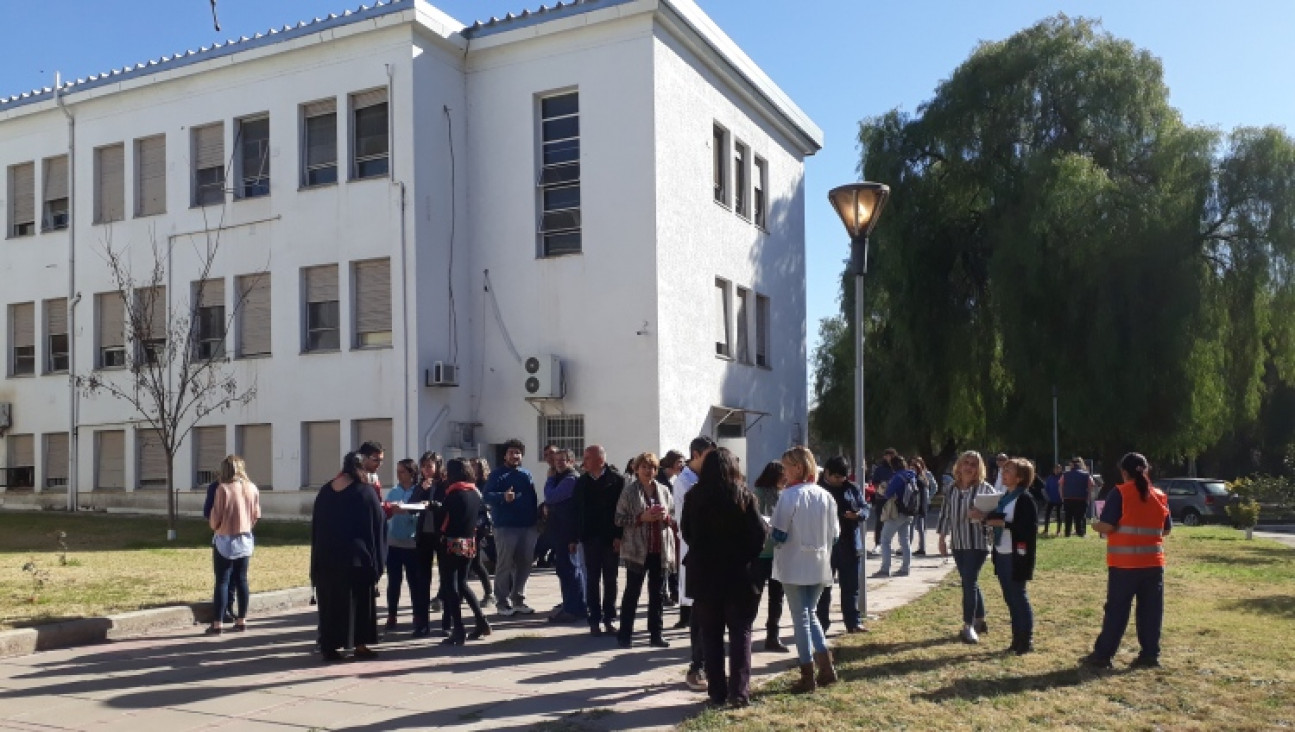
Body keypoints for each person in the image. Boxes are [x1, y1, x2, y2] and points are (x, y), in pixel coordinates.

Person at [682, 447, 768, 708]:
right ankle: (739, 692)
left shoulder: (693, 497)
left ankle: (716, 692)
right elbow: (758, 536)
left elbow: (686, 533)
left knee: (711, 635)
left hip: (704, 573)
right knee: (741, 633)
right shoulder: (744, 496)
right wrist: (746, 555)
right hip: (738, 574)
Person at [1081, 452, 1172, 670]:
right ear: (1146, 470)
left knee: (1117, 611)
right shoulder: (1159, 495)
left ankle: (1103, 655)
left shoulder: (1120, 493)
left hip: (1124, 564)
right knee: (1151, 611)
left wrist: (1095, 524)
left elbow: (1109, 525)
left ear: (1124, 472)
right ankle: (1150, 655)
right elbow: (1166, 529)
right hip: (1153, 563)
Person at [772, 446, 840, 693]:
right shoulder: (826, 496)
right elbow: (835, 535)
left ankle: (807, 672)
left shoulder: (788, 496)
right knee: (809, 614)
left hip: (794, 564)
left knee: (801, 617)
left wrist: (767, 528)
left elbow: (779, 534)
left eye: (786, 467)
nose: (784, 473)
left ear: (798, 467)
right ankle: (826, 667)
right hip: (820, 563)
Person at [311, 452, 386, 662]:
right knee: (359, 604)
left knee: (331, 604)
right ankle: (360, 645)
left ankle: (329, 646)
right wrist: (378, 560)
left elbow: (316, 526)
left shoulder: (326, 491)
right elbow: (378, 525)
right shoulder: (364, 492)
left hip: (326, 558)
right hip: (356, 559)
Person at [971, 457, 1038, 655]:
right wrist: (983, 518)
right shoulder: (1004, 497)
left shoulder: (1024, 498)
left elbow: (1028, 529)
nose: (1003, 473)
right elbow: (998, 520)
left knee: (1018, 596)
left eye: (1008, 470)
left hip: (1016, 555)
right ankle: (1016, 640)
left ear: (1020, 477)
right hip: (1001, 553)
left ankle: (1026, 641)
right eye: (1004, 470)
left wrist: (1004, 525)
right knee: (1010, 598)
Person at [614, 452, 675, 648]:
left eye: (653, 468)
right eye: (645, 467)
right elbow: (619, 519)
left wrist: (665, 518)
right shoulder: (629, 492)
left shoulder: (664, 490)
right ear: (637, 469)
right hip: (637, 551)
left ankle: (656, 635)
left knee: (657, 594)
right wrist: (641, 518)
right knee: (632, 592)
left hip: (659, 549)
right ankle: (624, 636)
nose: (649, 471)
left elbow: (673, 518)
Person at [937, 451, 997, 643]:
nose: (969, 467)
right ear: (959, 466)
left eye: (973, 464)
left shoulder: (985, 489)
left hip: (977, 543)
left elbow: (995, 517)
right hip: (958, 543)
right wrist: (942, 538)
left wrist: (981, 516)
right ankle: (980, 619)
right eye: (966, 463)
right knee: (969, 581)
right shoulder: (951, 489)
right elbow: (945, 514)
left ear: (979, 468)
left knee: (968, 583)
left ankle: (968, 625)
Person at [673, 435, 716, 692]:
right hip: (695, 550)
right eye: (709, 456)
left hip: (710, 553)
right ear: (696, 455)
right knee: (699, 613)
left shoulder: (701, 479)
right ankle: (696, 666)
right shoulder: (686, 482)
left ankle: (709, 664)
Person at [437, 458, 492, 645]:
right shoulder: (475, 493)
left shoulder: (453, 494)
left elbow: (444, 521)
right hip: (469, 542)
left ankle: (458, 629)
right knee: (462, 583)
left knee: (450, 586)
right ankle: (481, 620)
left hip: (451, 543)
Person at [482, 439, 539, 616]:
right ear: (505, 455)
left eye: (518, 452)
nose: (515, 455)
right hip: (505, 526)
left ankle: (518, 599)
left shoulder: (526, 474)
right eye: (511, 452)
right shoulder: (497, 474)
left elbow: (532, 498)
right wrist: (502, 497)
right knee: (505, 563)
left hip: (528, 526)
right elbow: (486, 496)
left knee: (525, 563)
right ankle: (501, 601)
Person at [206, 455, 261, 635]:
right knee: (242, 580)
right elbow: (256, 514)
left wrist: (216, 527)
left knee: (222, 581)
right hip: (245, 538)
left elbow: (215, 517)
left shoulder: (223, 489)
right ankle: (242, 620)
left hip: (225, 538)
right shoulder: (252, 488)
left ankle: (218, 623)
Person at [575, 444, 626, 637]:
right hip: (590, 538)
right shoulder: (581, 482)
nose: (584, 461)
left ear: (600, 460)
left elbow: (621, 511)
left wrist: (619, 536)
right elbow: (576, 511)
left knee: (610, 579)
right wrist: (574, 537)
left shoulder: (617, 481)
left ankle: (609, 618)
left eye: (588, 458)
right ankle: (594, 619)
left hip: (610, 538)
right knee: (592, 579)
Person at [815, 456, 869, 634]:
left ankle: (853, 622)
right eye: (836, 476)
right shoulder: (817, 489)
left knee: (851, 587)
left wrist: (859, 514)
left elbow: (865, 508)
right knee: (823, 589)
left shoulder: (852, 488)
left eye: (842, 477)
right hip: (826, 546)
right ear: (827, 473)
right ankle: (822, 625)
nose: (839, 480)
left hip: (850, 544)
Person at [544, 449, 587, 624]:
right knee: (565, 571)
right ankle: (571, 606)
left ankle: (574, 609)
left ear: (571, 461)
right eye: (556, 460)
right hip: (561, 531)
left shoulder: (570, 479)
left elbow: (551, 496)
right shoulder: (563, 478)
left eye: (563, 460)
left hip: (568, 533)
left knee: (571, 571)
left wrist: (549, 478)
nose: (559, 463)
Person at [751, 461, 787, 652]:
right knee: (754, 595)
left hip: (779, 553)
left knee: (777, 597)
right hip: (762, 553)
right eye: (783, 475)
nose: (786, 478)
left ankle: (772, 636)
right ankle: (745, 633)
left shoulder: (783, 494)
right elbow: (756, 518)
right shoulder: (759, 493)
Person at [383, 459, 423, 631]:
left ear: (412, 474)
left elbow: (422, 513)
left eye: (402, 472)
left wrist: (407, 511)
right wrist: (390, 511)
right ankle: (392, 615)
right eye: (397, 471)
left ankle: (416, 615)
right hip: (393, 543)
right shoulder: (393, 491)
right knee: (394, 582)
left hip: (412, 543)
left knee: (414, 582)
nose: (399, 475)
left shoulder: (418, 491)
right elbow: (385, 513)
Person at [410, 452, 445, 637]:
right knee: (422, 581)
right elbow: (411, 507)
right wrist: (421, 491)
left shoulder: (445, 485)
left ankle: (447, 623)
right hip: (424, 536)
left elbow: (446, 507)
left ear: (438, 467)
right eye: (423, 467)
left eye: (429, 466)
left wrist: (433, 503)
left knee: (446, 579)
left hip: (441, 536)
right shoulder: (420, 485)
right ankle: (421, 623)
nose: (426, 470)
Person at [874, 454, 915, 578]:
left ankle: (885, 569)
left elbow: (887, 494)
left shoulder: (897, 477)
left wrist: (883, 489)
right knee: (905, 541)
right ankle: (905, 568)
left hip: (896, 511)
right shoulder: (911, 476)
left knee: (885, 540)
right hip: (909, 511)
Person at [202, 474, 236, 624]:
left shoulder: (219, 487)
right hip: (236, 536)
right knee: (232, 577)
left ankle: (224, 612)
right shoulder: (245, 486)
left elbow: (207, 512)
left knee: (226, 578)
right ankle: (230, 612)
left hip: (226, 536)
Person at [469, 457, 494, 603]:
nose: (472, 468)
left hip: (479, 526)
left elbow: (485, 505)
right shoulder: (469, 483)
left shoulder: (484, 484)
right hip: (468, 525)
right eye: (470, 465)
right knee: (470, 562)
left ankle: (489, 593)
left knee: (476, 561)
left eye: (475, 466)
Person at [868, 448, 897, 554]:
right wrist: (881, 489)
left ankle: (888, 543)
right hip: (881, 499)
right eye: (887, 455)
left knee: (892, 521)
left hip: (893, 500)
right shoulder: (880, 469)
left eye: (891, 455)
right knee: (880, 521)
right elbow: (874, 483)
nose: (889, 458)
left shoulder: (896, 468)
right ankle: (878, 544)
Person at [1062, 457, 1095, 537]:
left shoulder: (1065, 474)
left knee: (1068, 517)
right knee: (1079, 517)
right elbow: (1092, 485)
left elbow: (1060, 484)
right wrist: (1089, 497)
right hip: (1081, 498)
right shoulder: (1086, 474)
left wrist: (1062, 496)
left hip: (1068, 498)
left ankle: (1067, 533)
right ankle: (1080, 532)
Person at [910, 457, 935, 555]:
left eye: (913, 468)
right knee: (920, 528)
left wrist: (929, 498)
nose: (911, 471)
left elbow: (918, 493)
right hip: (921, 506)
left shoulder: (918, 479)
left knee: (916, 527)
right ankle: (921, 547)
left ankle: (914, 547)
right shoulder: (923, 479)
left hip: (918, 506)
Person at [1042, 464, 1064, 535]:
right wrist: (1047, 497)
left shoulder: (1063, 477)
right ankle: (1046, 530)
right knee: (1047, 515)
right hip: (1050, 500)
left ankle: (1058, 531)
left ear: (1061, 469)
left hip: (1059, 499)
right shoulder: (1050, 477)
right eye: (1055, 469)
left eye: (1058, 469)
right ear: (1053, 470)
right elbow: (1046, 488)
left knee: (1058, 515)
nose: (1057, 470)